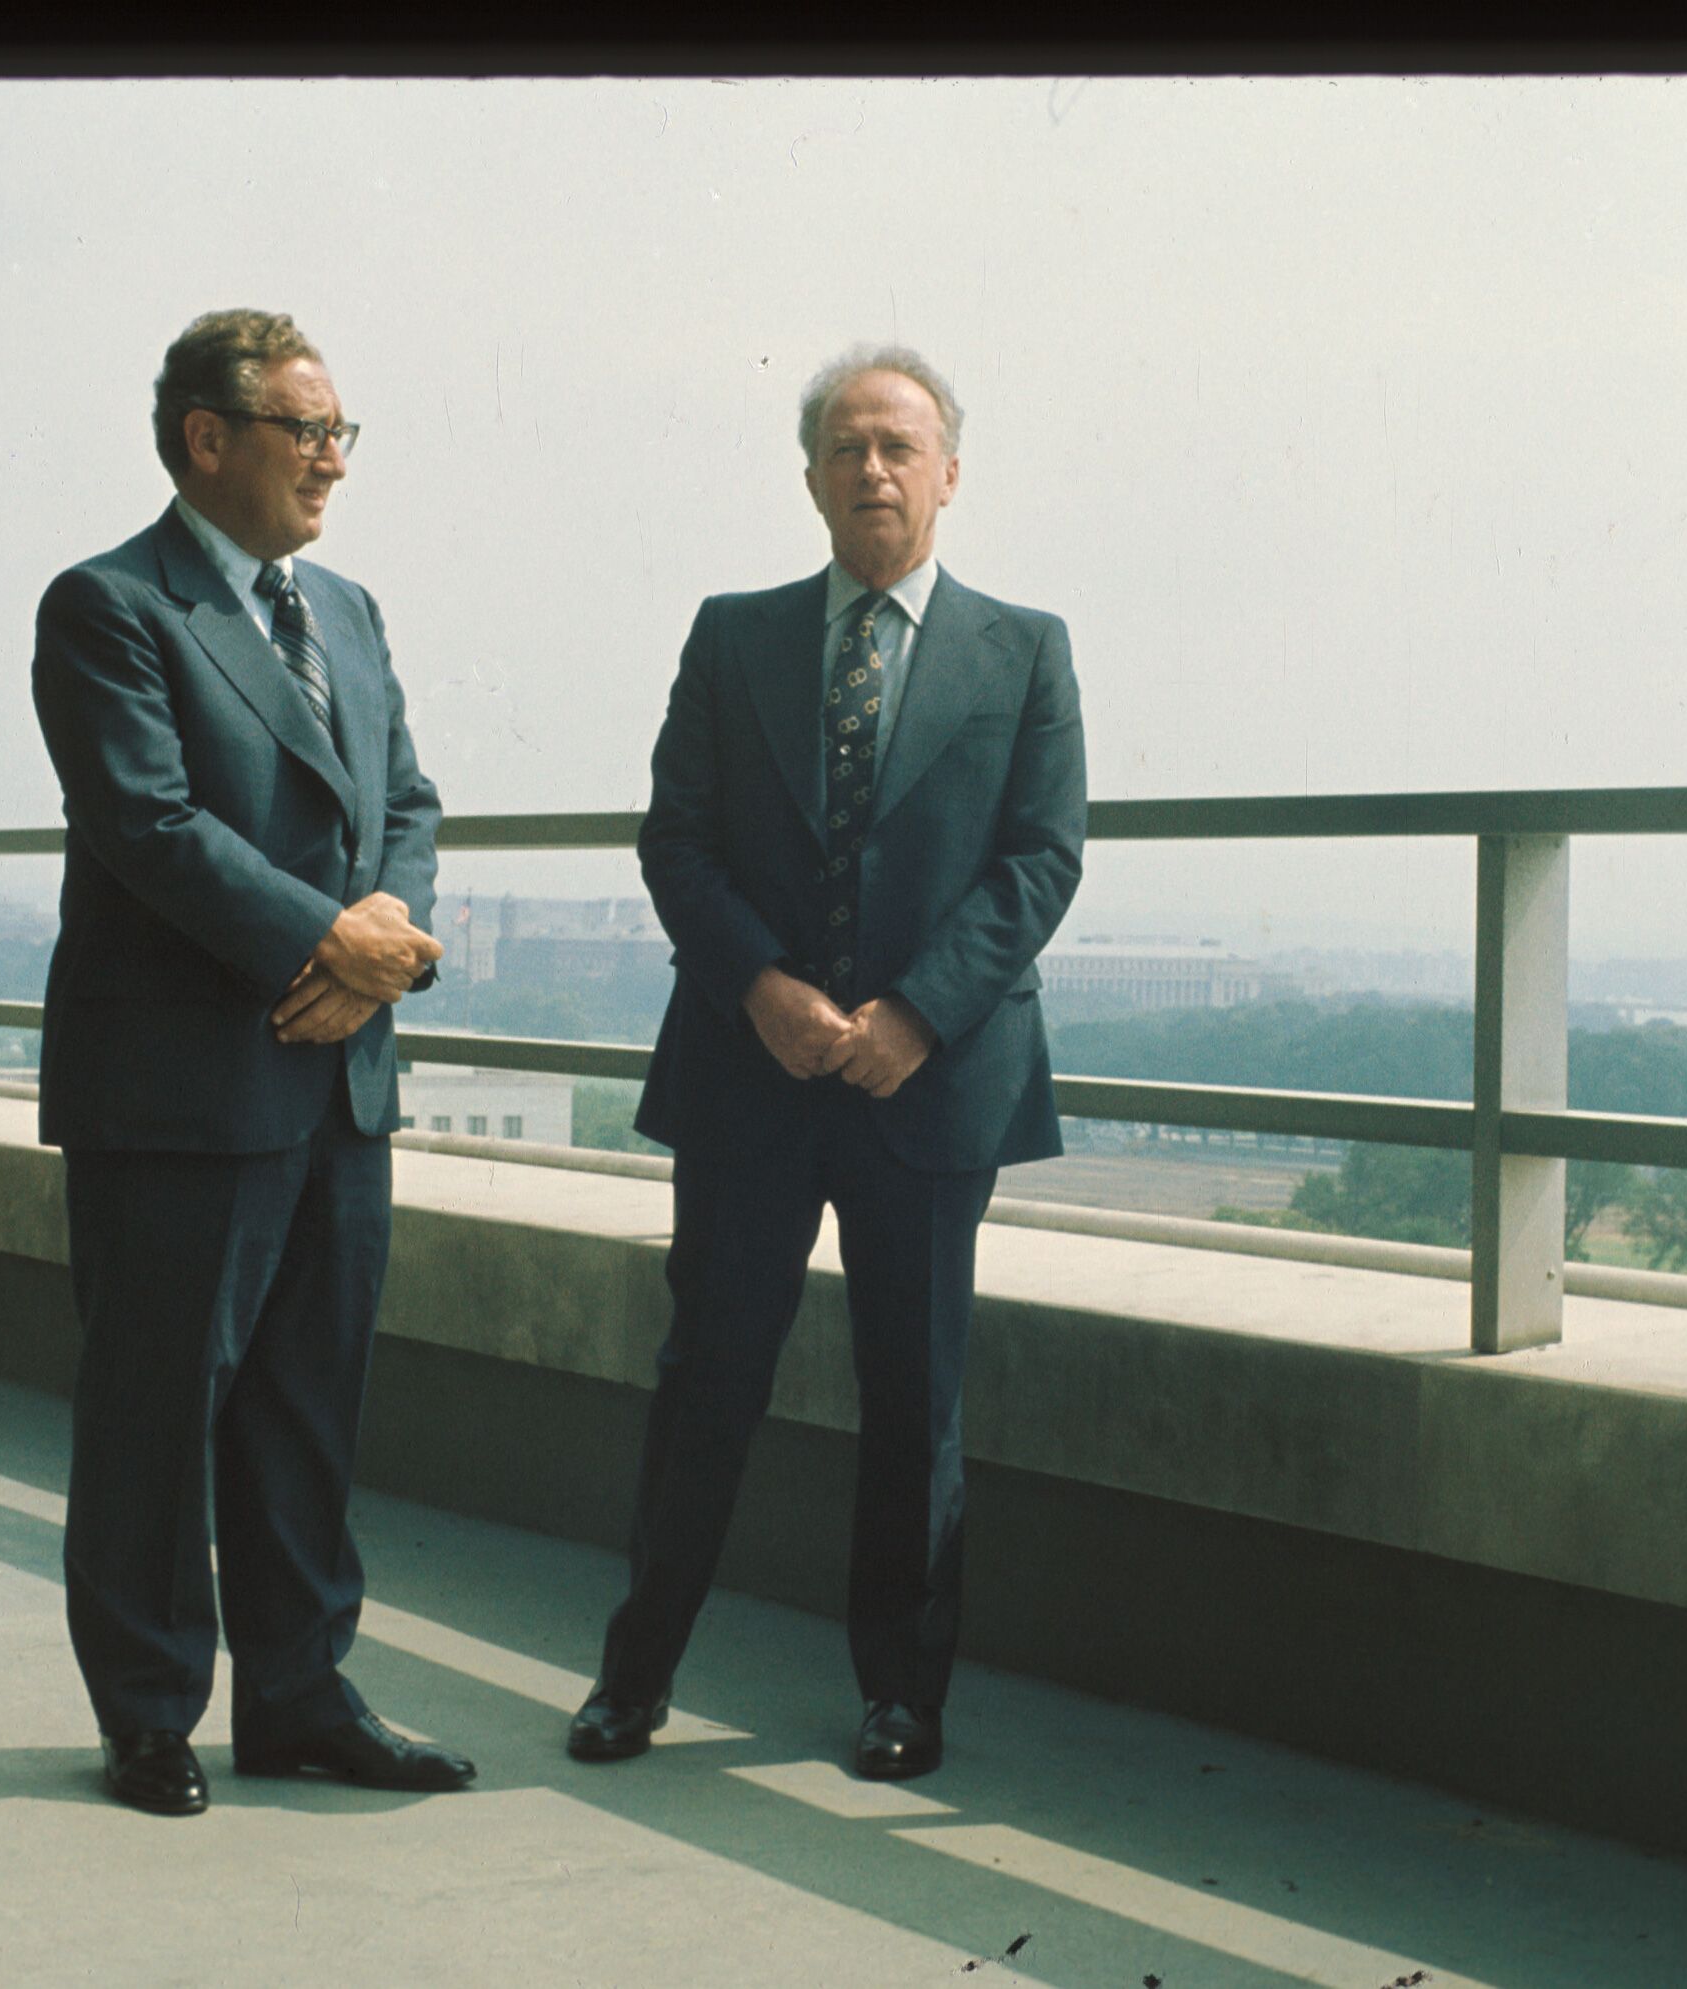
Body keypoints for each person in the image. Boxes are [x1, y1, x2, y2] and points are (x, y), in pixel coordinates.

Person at [568, 344, 1088, 1780]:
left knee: (915, 1395)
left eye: (899, 447)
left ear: (950, 474)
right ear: (809, 477)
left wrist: (917, 1014)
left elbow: (1042, 858)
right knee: (707, 1378)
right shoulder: (732, 636)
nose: (873, 469)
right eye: (846, 447)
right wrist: (762, 989)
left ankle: (902, 1698)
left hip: (933, 1083)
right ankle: (633, 1678)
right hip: (752, 1073)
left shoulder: (1025, 649)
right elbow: (675, 838)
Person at [31, 308, 471, 1816]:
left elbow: (404, 800)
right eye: (307, 430)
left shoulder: (346, 608)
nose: (334, 459)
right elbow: (148, 825)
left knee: (306, 1411)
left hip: (337, 1081)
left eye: (343, 431)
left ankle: (300, 1699)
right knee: (157, 1417)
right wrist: (329, 944)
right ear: (207, 439)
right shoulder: (110, 606)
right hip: (181, 1091)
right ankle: (150, 1714)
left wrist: (380, 948)